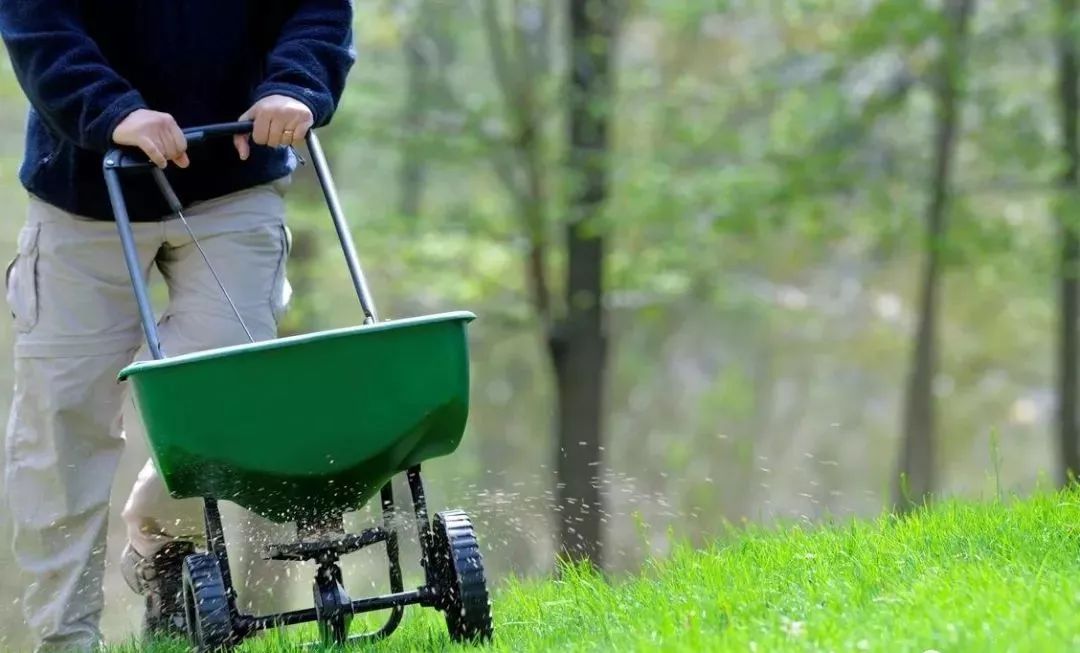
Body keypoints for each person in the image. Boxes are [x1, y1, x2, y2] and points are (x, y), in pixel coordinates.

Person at [0, 1, 355, 651]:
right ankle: (65, 637)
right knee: (62, 423)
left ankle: (164, 542)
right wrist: (111, 111)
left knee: (224, 398)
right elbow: (35, 19)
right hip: (83, 186)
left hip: (233, 174)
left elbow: (316, 8)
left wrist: (296, 83)